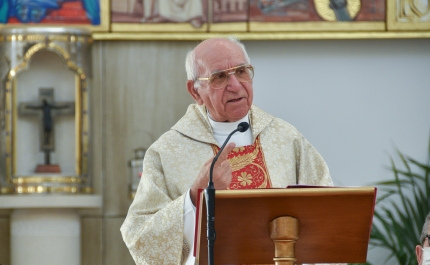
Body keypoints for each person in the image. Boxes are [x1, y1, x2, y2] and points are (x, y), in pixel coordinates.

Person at [121, 36, 336, 265]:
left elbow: (327, 215)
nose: (235, 85)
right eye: (219, 77)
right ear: (195, 92)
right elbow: (139, 236)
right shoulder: (166, 152)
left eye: (242, 71)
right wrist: (194, 197)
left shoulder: (287, 139)